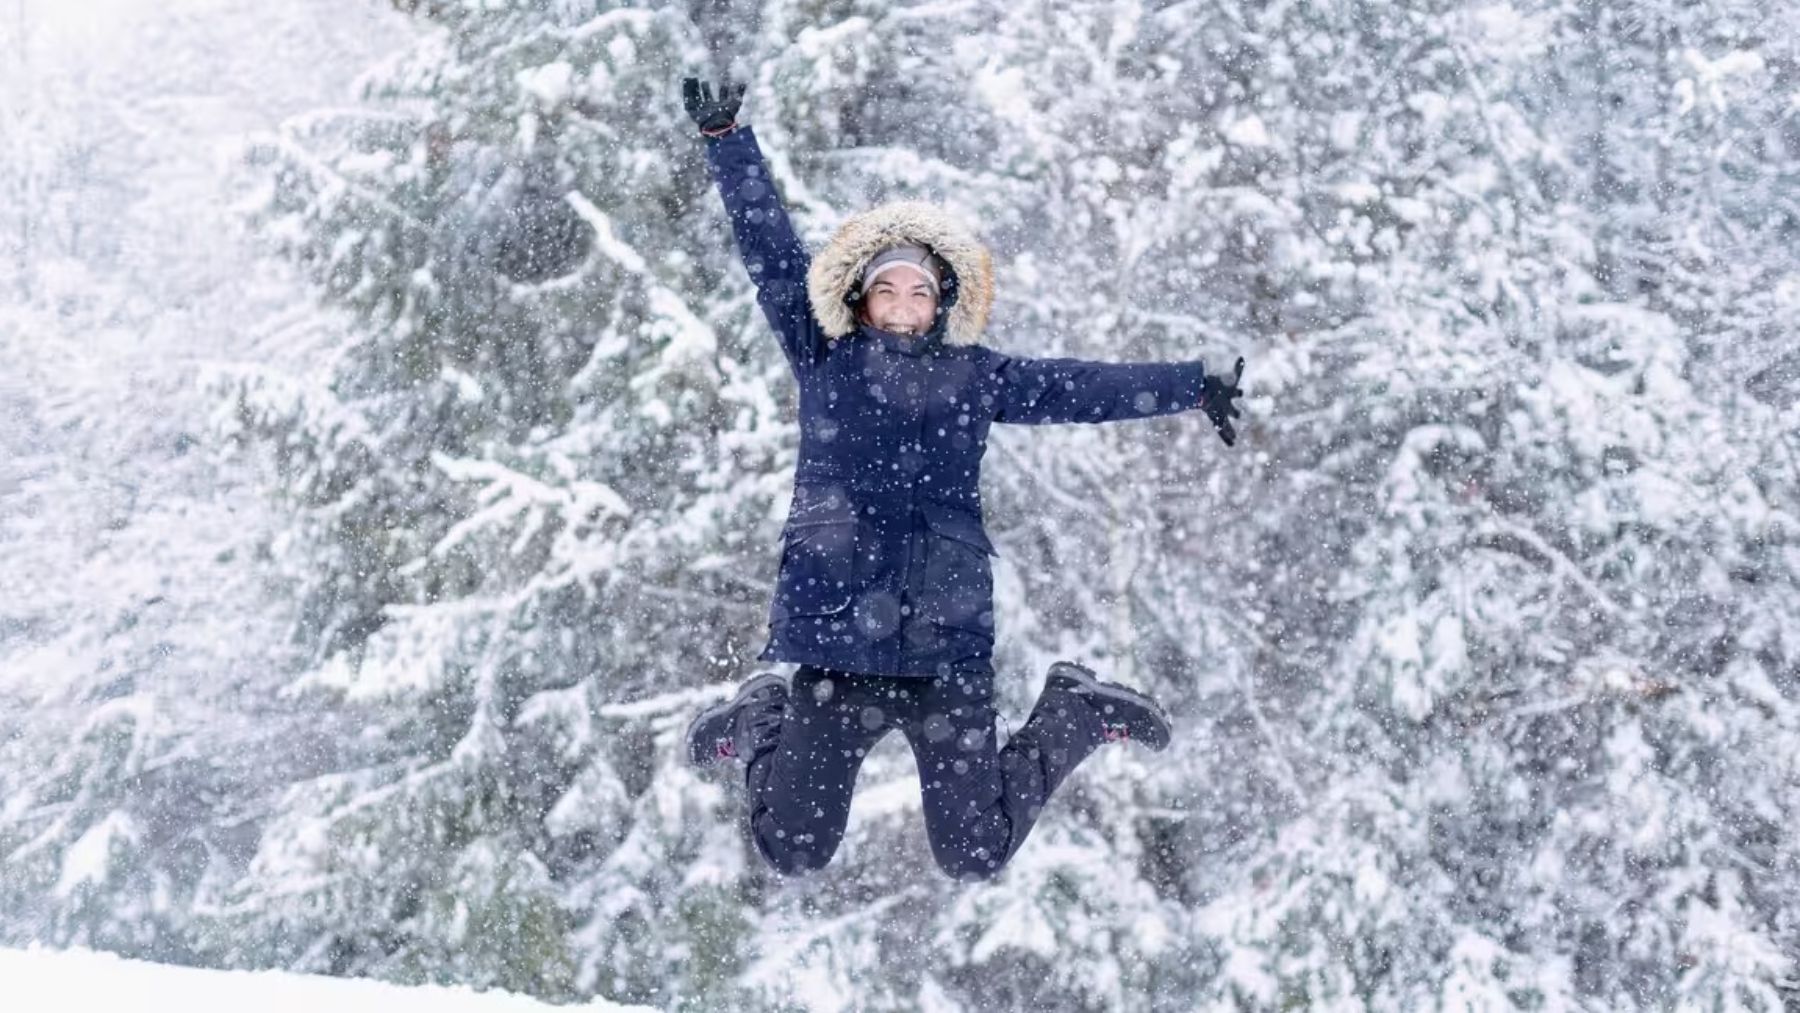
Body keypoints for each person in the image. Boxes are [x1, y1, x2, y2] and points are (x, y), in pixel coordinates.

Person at [678, 78, 1246, 880]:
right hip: (838, 644)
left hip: (945, 647)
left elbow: (1075, 388)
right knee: (792, 846)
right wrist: (727, 138)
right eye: (887, 287)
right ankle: (759, 716)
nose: (904, 303)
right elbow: (769, 250)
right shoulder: (824, 356)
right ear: (861, 296)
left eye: (920, 289)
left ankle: (1074, 714)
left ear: (942, 299)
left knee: (975, 850)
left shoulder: (974, 376)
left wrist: (1192, 382)